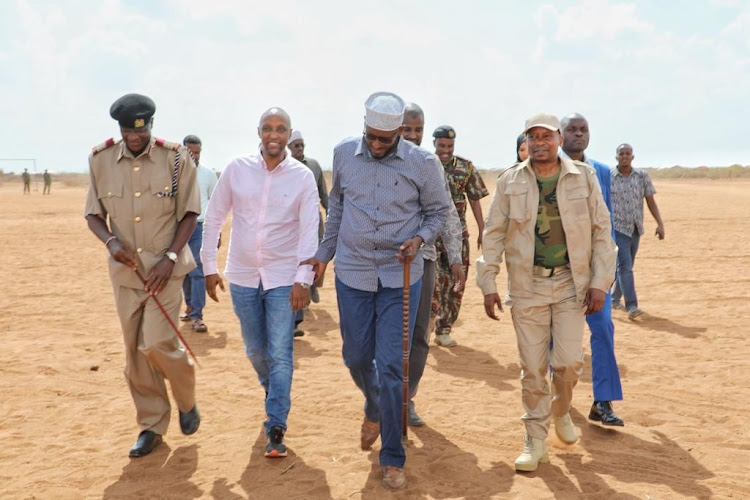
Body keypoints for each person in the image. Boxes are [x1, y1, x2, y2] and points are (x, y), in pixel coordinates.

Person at [307, 92, 451, 490]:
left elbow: (438, 211)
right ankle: (374, 405)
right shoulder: (343, 155)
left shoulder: (423, 163)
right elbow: (336, 207)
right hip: (352, 271)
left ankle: (392, 456)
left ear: (400, 133)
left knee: (391, 365)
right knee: (355, 356)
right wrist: (323, 254)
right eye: (371, 136)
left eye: (384, 140)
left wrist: (419, 240)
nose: (375, 144)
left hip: (400, 274)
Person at [477, 113, 616, 472]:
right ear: (526, 141)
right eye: (533, 136)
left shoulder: (583, 177)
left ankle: (561, 409)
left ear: (558, 139)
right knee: (533, 367)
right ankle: (534, 441)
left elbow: (602, 231)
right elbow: (493, 233)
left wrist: (600, 282)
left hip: (573, 284)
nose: (540, 142)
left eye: (547, 136)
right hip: (527, 286)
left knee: (568, 362)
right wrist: (488, 283)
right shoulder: (510, 181)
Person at [84, 93, 201, 458]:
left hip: (165, 272)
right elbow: (92, 215)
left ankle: (185, 399)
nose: (135, 137)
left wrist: (169, 257)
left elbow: (189, 214)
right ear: (119, 129)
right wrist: (110, 242)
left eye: (142, 130)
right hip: (126, 274)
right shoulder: (100, 160)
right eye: (128, 131)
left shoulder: (176, 159)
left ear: (151, 125)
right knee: (134, 354)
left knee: (156, 342)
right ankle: (151, 425)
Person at [200, 107, 319, 458]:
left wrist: (303, 278)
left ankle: (276, 425)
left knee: (281, 352)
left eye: (281, 129)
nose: (274, 135)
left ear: (290, 134)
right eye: (268, 128)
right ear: (258, 132)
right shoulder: (237, 169)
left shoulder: (302, 177)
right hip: (243, 275)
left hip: (284, 278)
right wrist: (209, 265)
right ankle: (274, 393)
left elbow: (310, 228)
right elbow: (215, 217)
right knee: (255, 349)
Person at [401, 102, 465, 427]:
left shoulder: (430, 165)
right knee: (388, 334)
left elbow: (448, 212)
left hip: (424, 260)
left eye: (418, 130)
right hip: (384, 263)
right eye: (407, 129)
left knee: (420, 335)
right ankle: (385, 396)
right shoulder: (378, 163)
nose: (412, 136)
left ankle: (407, 398)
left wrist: (455, 257)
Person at [561, 113, 624, 427]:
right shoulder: (546, 169)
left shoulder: (601, 171)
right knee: (555, 339)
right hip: (558, 271)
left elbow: (606, 226)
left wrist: (605, 273)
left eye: (583, 129)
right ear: (560, 135)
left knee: (603, 331)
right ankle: (558, 397)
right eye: (571, 129)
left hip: (595, 273)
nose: (578, 134)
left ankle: (603, 401)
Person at [431, 125, 489, 347]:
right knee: (434, 282)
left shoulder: (465, 168)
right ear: (434, 143)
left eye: (449, 146)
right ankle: (427, 322)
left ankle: (444, 329)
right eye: (441, 145)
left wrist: (481, 229)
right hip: (431, 236)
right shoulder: (427, 165)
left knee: (457, 283)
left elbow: (475, 198)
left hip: (458, 237)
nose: (445, 150)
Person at [610, 143, 665, 319]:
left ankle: (614, 299)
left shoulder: (642, 176)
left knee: (626, 267)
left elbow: (650, 201)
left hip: (635, 228)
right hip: (617, 229)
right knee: (625, 266)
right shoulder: (609, 177)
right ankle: (632, 306)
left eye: (628, 154)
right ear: (616, 156)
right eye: (621, 153)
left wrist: (660, 224)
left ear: (632, 157)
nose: (625, 156)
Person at [287, 130, 329, 337]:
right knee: (297, 260)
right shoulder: (284, 166)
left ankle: (310, 286)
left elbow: (323, 194)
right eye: (296, 145)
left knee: (316, 256)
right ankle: (302, 294)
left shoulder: (313, 166)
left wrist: (331, 212)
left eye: (302, 145)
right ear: (289, 147)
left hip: (314, 222)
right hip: (293, 224)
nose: (300, 148)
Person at [179, 135, 217, 333]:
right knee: (184, 270)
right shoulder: (173, 173)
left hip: (199, 227)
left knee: (197, 270)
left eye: (197, 153)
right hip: (177, 229)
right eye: (190, 152)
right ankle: (190, 306)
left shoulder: (209, 175)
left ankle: (197, 316)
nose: (194, 156)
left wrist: (216, 234)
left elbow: (215, 204)